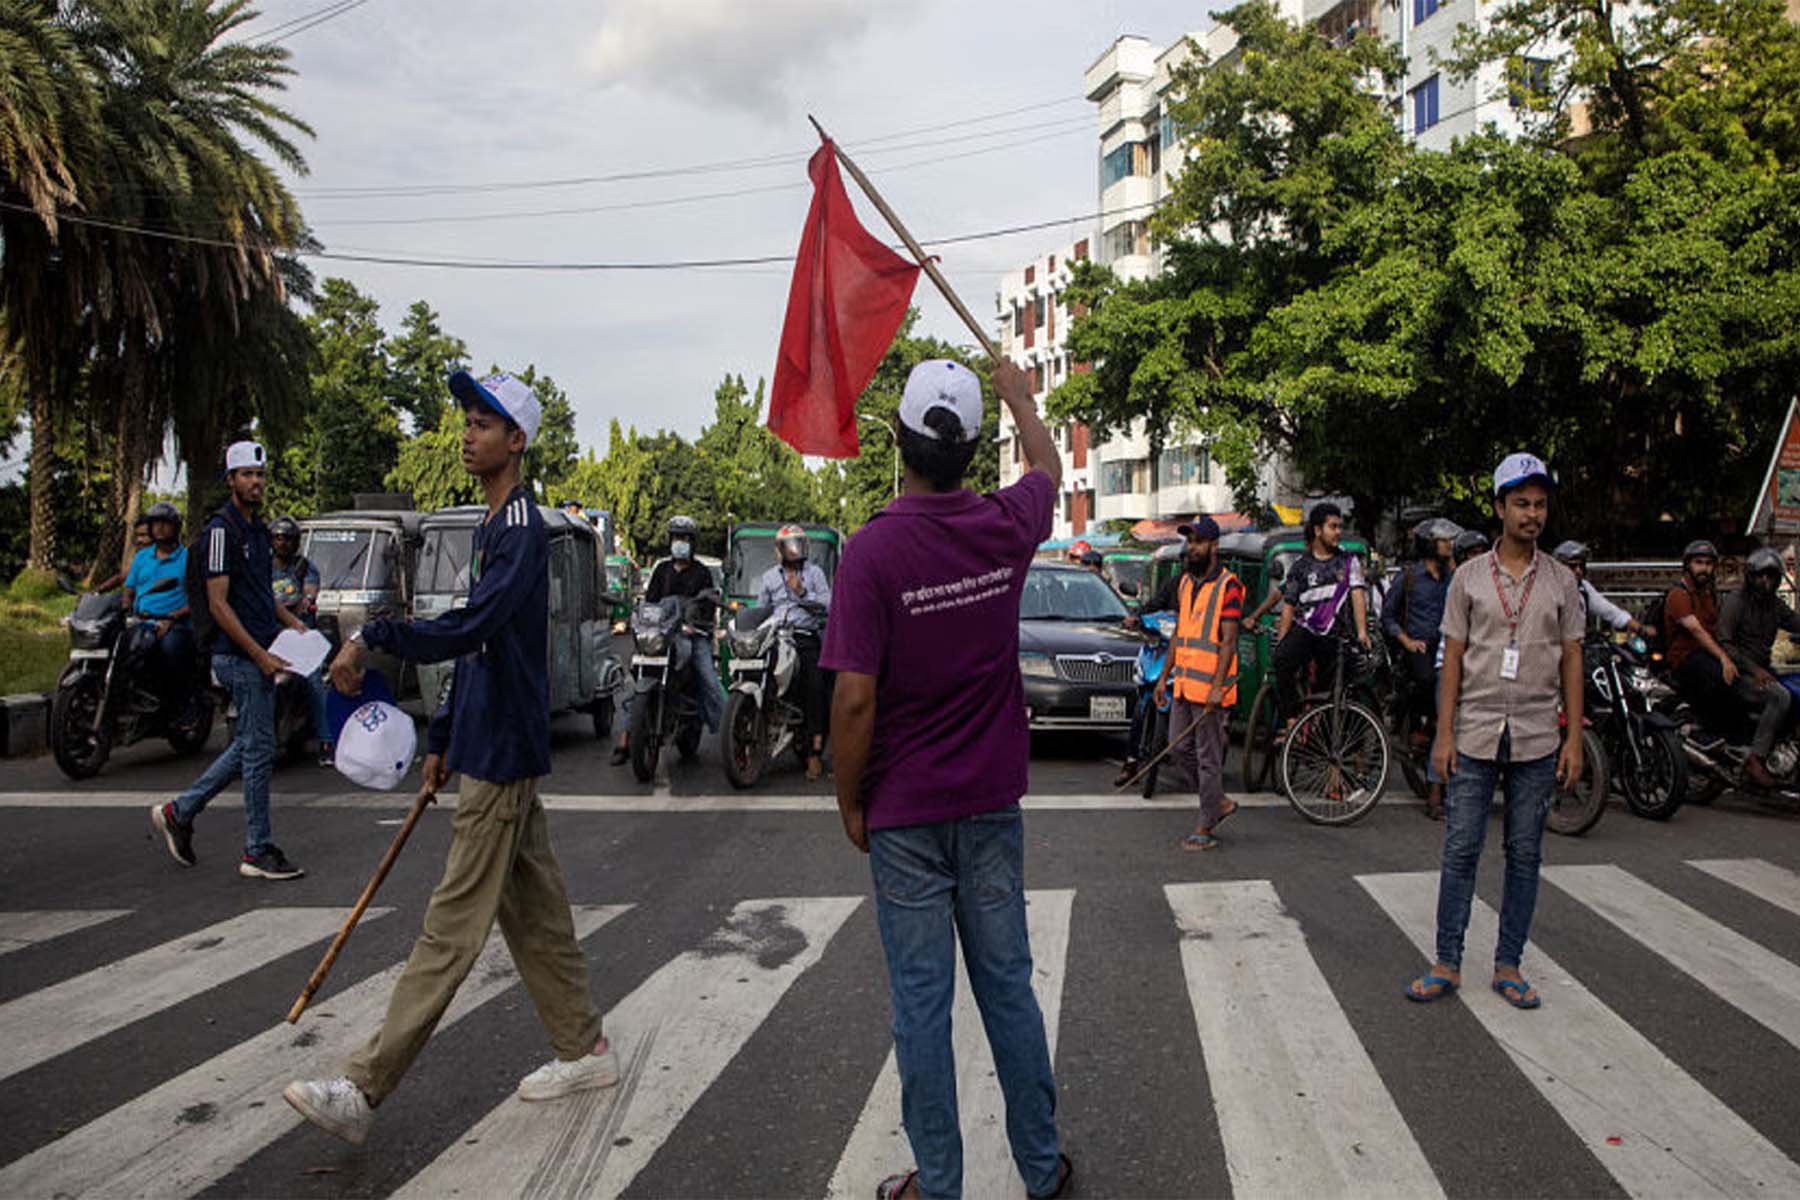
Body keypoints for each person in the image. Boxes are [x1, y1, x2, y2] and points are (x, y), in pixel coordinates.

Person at [286, 369, 616, 1147]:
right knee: (537, 920)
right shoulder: (492, 526)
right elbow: (480, 654)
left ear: (517, 441)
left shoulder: (525, 530)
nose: (467, 433)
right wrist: (441, 742)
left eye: (483, 423)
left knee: (449, 928)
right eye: (466, 420)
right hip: (488, 743)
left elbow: (471, 629)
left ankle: (364, 1089)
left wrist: (375, 639)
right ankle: (584, 1048)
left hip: (503, 752)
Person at [825, 357, 1073, 1200]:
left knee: (922, 1011)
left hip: (906, 819)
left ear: (897, 437)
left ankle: (939, 1187)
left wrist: (848, 799)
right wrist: (1021, 399)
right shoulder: (1005, 525)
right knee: (1008, 990)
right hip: (990, 807)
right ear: (971, 447)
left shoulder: (871, 553)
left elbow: (854, 702)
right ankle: (1042, 1171)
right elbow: (1051, 471)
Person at [1408, 452, 1584, 1011]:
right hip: (1476, 731)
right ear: (1500, 508)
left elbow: (1572, 660)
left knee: (1524, 853)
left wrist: (1574, 738)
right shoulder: (1468, 577)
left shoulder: (1561, 581)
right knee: (1461, 849)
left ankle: (1509, 965)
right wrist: (1443, 734)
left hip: (1536, 734)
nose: (1532, 515)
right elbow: (1452, 657)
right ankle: (1446, 962)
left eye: (1540, 505)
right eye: (1521, 504)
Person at [150, 442, 307, 881]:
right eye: (246, 475)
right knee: (259, 752)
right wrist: (259, 656)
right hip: (239, 656)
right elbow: (219, 604)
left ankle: (180, 812)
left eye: (259, 474)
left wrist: (294, 625)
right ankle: (257, 849)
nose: (255, 482)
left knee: (249, 745)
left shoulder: (257, 532)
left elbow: (262, 597)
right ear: (230, 481)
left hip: (261, 652)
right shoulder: (222, 532)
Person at [1154, 516, 1245, 850]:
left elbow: (1229, 641)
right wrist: (1164, 676)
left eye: (1198, 542)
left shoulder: (1229, 586)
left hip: (1210, 687)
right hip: (1183, 683)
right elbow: (1180, 634)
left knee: (1208, 758)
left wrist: (1218, 687)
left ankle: (1206, 825)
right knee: (1179, 749)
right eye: (1189, 542)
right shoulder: (1185, 584)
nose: (1191, 548)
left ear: (1213, 547)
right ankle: (1217, 800)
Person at [610, 514, 723, 765]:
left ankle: (728, 734)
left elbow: (709, 604)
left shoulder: (702, 573)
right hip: (662, 635)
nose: (680, 542)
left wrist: (695, 623)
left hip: (693, 635)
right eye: (676, 538)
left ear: (693, 543)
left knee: (709, 678)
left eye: (685, 538)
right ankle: (626, 738)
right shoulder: (661, 570)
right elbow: (649, 603)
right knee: (635, 677)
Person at [1381, 518, 1461, 819]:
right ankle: (1435, 792)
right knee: (1430, 683)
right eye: (1443, 541)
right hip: (1418, 649)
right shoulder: (1409, 578)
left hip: (1450, 647)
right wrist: (1407, 640)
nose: (1448, 545)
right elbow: (1388, 616)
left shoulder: (1453, 578)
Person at [1271, 502, 1369, 725]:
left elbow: (1357, 595)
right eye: (1332, 527)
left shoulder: (1347, 562)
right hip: (1306, 631)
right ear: (1317, 530)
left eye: (1339, 527)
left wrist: (1362, 632)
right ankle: (1291, 720)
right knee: (1282, 660)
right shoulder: (1300, 566)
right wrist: (1282, 640)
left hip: (1337, 635)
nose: (1337, 533)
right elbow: (1288, 605)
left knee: (1340, 683)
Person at [753, 522, 833, 780]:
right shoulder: (768, 577)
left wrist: (802, 592)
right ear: (780, 550)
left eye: (798, 544)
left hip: (804, 636)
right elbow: (760, 610)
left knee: (816, 686)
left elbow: (828, 604)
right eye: (789, 545)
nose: (794, 549)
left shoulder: (815, 574)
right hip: (775, 636)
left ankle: (814, 753)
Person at [1715, 546, 1800, 787]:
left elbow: (1795, 622)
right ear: (1750, 576)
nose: (1766, 580)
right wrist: (1754, 669)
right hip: (1739, 672)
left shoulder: (1774, 604)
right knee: (1780, 697)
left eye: (1771, 575)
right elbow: (1725, 642)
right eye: (1761, 575)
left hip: (1764, 669)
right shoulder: (1736, 601)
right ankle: (1756, 757)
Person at [271, 515, 333, 767]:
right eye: (277, 538)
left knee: (314, 682)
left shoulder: (305, 568)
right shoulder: (261, 567)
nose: (282, 543)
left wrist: (306, 602)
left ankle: (326, 742)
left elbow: (309, 592)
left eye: (287, 538)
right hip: (269, 635)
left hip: (300, 635)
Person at [1664, 539, 1739, 748]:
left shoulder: (1709, 594)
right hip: (1684, 659)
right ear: (1688, 565)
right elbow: (1696, 630)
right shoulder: (1678, 594)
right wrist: (1723, 658)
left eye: (1708, 563)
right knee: (1717, 674)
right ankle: (1704, 731)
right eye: (1698, 562)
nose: (1704, 568)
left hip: (1704, 653)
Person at [121, 502, 195, 704]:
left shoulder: (188, 558)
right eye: (156, 523)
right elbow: (129, 589)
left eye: (166, 523)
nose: (160, 528)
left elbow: (198, 598)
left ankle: (174, 705)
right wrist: (126, 607)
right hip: (141, 621)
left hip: (174, 624)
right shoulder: (142, 557)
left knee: (169, 650)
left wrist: (174, 617)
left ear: (176, 527)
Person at [1552, 540, 1652, 637]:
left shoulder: (1584, 589)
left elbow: (1609, 610)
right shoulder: (1550, 592)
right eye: (1572, 566)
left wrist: (1640, 629)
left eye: (1581, 566)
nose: (1578, 571)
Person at [95, 515, 154, 593]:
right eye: (137, 535)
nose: (139, 540)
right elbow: (121, 577)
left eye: (143, 535)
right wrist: (97, 591)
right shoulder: (142, 557)